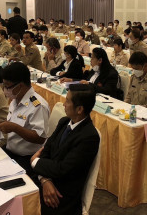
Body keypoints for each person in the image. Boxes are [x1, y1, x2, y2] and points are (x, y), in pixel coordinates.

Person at [30, 84, 100, 215]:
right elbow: (46, 151)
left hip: (61, 195)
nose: (64, 104)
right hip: (47, 181)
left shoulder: (89, 136)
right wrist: (45, 180)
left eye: (67, 101)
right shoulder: (64, 122)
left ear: (79, 109)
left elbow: (63, 169)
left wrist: (35, 162)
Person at [0, 62, 50, 176]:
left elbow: (40, 137)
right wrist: (2, 123)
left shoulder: (38, 106)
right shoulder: (15, 100)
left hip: (27, 159)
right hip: (10, 150)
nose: (5, 90)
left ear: (20, 86)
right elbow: (16, 123)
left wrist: (14, 128)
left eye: (7, 86)